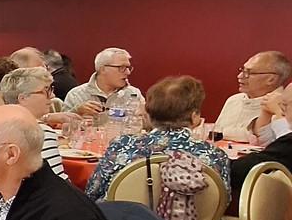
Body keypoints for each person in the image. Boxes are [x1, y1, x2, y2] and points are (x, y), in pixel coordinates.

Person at [86, 76, 229, 203]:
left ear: (148, 115)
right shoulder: (214, 155)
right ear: (194, 117)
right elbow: (222, 202)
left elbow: (92, 192)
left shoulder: (122, 145)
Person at [0, 66, 66, 177]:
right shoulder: (39, 132)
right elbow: (56, 180)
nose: (52, 96)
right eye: (45, 91)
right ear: (23, 98)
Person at [213, 50, 291, 142]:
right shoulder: (234, 100)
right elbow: (215, 134)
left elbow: (272, 142)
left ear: (271, 79)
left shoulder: (284, 106)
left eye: (248, 73)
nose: (240, 76)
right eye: (242, 70)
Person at [63, 48, 144, 115]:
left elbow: (147, 125)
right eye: (122, 67)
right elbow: (62, 125)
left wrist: (143, 114)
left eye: (128, 68)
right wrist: (77, 112)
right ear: (103, 69)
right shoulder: (76, 95)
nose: (128, 72)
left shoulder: (133, 94)